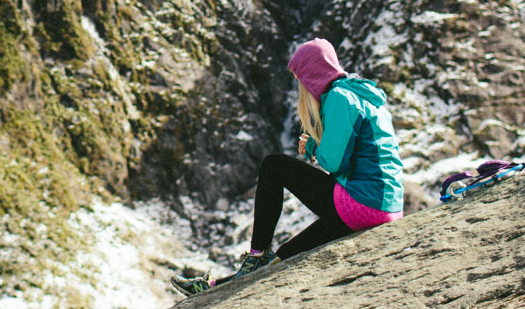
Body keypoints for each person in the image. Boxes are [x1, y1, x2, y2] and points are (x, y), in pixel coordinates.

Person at [173, 38, 404, 295]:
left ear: (313, 73)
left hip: (360, 203)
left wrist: (312, 148)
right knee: (284, 257)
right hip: (385, 209)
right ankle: (214, 287)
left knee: (274, 166)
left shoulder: (340, 97)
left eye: (301, 78)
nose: (301, 86)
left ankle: (257, 254)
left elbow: (335, 162)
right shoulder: (364, 95)